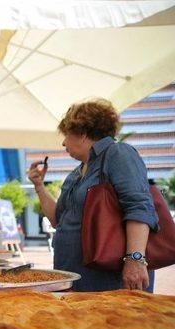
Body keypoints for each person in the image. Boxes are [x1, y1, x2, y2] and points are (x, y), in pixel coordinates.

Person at [28, 98, 157, 292]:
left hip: (107, 281)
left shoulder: (118, 153)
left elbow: (139, 206)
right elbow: (58, 220)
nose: (63, 142)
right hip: (76, 277)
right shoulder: (77, 172)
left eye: (67, 135)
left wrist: (135, 260)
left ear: (82, 133)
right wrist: (39, 186)